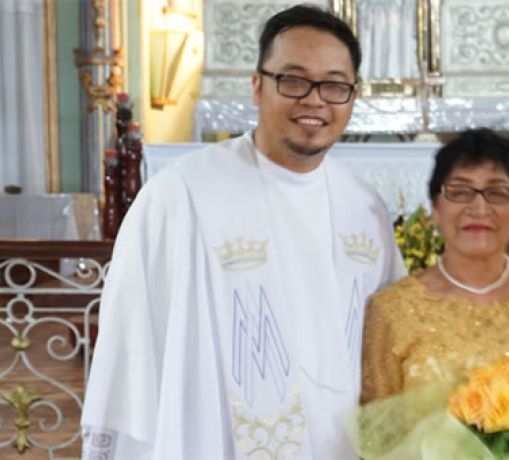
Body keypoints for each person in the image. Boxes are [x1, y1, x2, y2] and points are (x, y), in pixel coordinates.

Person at [81, 5, 405, 459]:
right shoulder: (181, 197)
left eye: (334, 85)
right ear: (257, 86)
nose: (314, 100)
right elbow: (131, 344)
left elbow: (388, 344)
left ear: (352, 95)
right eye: (293, 80)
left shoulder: (364, 208)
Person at [360, 128, 509, 404]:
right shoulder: (391, 312)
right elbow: (377, 431)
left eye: (497, 192)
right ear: (435, 208)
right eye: (459, 191)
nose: (479, 208)